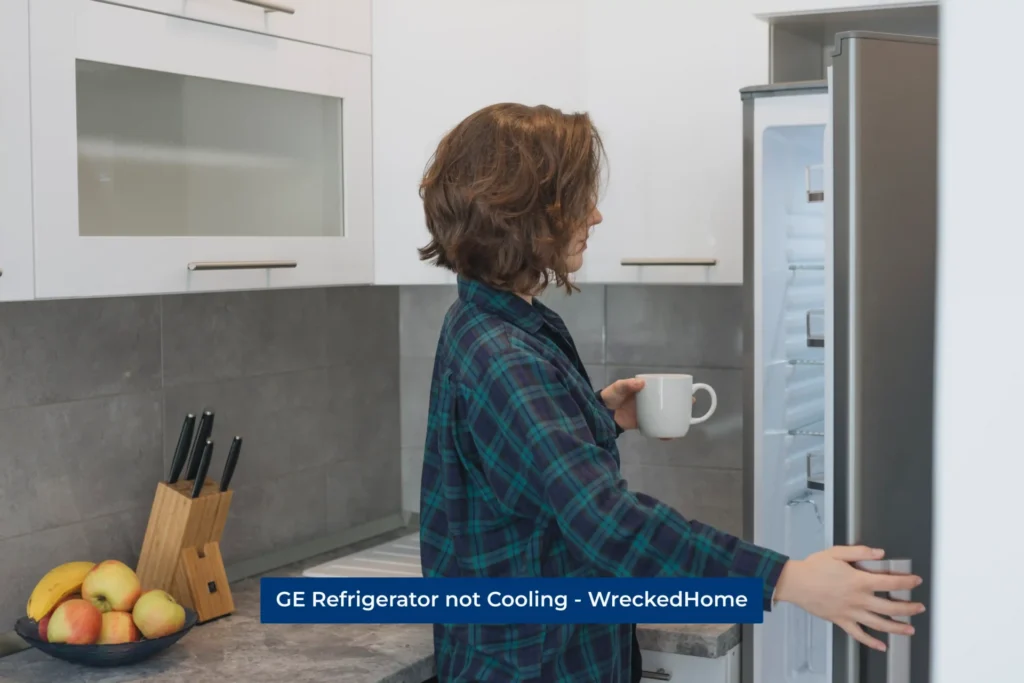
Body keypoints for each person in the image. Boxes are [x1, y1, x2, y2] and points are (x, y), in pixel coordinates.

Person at [416, 103, 924, 683]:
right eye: (579, 197)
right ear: (523, 210)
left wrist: (595, 416)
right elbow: (608, 524)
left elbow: (515, 467)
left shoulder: (488, 320)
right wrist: (791, 580)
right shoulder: (505, 355)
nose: (597, 215)